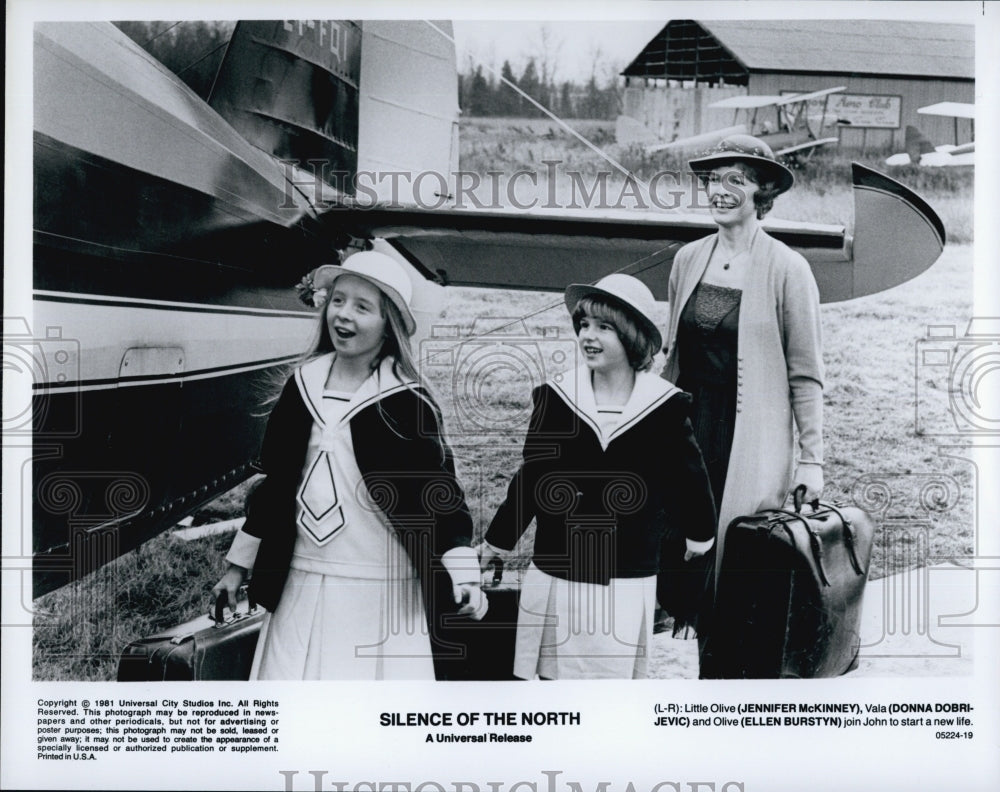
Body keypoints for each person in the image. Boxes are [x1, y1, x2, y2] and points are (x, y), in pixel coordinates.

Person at [212, 251, 483, 680]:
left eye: (362, 307)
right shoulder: (302, 387)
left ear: (387, 323)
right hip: (302, 580)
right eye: (338, 300)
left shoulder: (407, 401)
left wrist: (463, 570)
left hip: (379, 586)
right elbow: (276, 484)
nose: (344, 315)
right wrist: (237, 566)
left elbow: (442, 496)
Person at [479, 274, 717, 679]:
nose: (589, 335)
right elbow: (532, 477)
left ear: (632, 337)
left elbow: (689, 476)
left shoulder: (663, 406)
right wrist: (499, 540)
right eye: (584, 324)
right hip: (560, 563)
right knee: (556, 676)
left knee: (609, 680)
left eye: (604, 327)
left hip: (625, 570)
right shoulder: (556, 398)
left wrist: (700, 533)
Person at [660, 134, 825, 677]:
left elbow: (806, 374)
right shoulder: (688, 259)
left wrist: (812, 459)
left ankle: (729, 688)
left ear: (763, 192)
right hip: (687, 435)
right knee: (683, 556)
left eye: (737, 179)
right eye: (714, 179)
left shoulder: (787, 269)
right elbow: (671, 354)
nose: (721, 190)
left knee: (736, 567)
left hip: (747, 437)